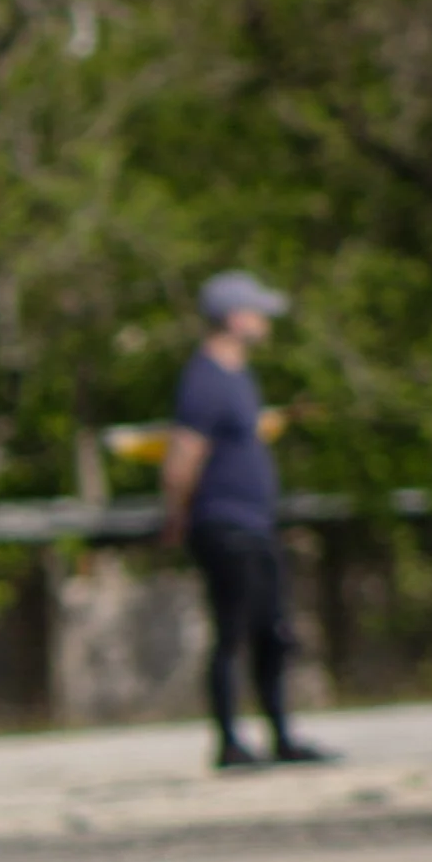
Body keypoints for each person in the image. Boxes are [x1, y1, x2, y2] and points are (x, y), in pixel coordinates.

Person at [161, 270, 333, 770]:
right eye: (258, 312)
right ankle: (229, 743)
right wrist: (177, 516)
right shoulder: (205, 379)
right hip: (223, 521)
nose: (265, 321)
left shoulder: (239, 375)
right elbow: (183, 455)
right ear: (234, 318)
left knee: (273, 630)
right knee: (232, 631)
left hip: (256, 522)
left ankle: (282, 736)